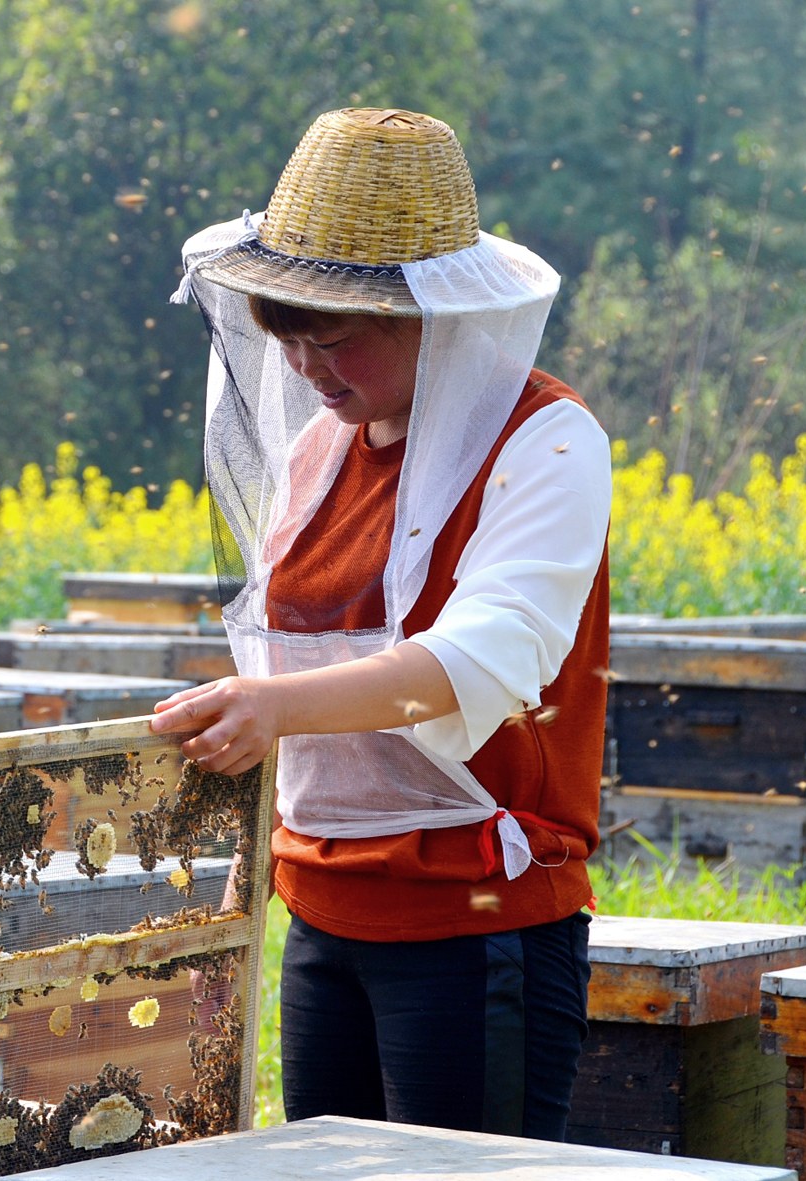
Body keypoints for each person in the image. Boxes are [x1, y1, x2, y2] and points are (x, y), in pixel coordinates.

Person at [154, 107, 610, 1139]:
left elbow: (480, 660)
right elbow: (299, 647)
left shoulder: (546, 441)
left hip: (473, 914)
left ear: (431, 312)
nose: (310, 368)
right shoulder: (318, 450)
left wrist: (269, 705)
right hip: (319, 906)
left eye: (335, 336)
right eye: (291, 338)